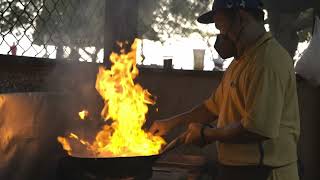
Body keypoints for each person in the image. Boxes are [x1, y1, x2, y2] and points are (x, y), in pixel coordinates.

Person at [149, 0, 300, 179]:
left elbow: (256, 129)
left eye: (222, 27)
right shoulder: (241, 60)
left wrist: (207, 134)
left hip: (264, 172)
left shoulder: (267, 62)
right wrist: (171, 123)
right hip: (238, 170)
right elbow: (211, 108)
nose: (221, 36)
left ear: (242, 18)